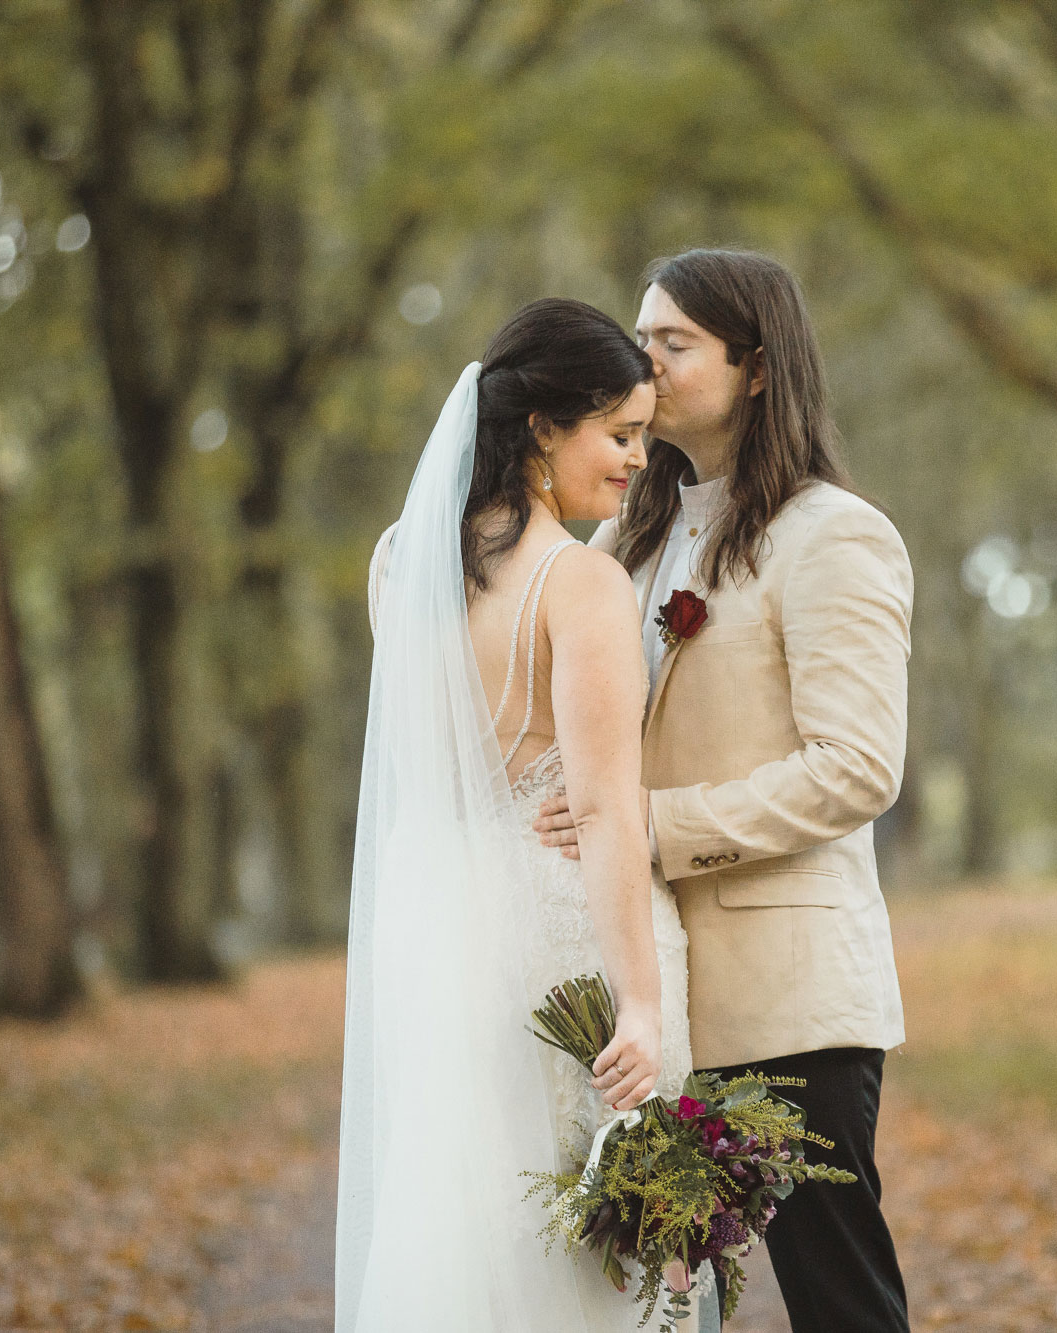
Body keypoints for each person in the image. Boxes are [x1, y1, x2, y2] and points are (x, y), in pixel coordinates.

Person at [536, 249, 914, 1333]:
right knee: (659, 1306)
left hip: (786, 992)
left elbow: (855, 767)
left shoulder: (834, 536)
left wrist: (653, 827)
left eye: (671, 343)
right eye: (637, 336)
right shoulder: (626, 536)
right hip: (649, 989)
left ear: (755, 366)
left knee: (834, 1297)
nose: (640, 361)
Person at [335, 298, 694, 1332]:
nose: (635, 461)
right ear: (540, 426)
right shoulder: (578, 583)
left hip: (448, 943)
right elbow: (604, 810)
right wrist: (638, 1003)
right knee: (590, 1257)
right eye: (618, 433)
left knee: (481, 1224)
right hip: (563, 948)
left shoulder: (401, 561)